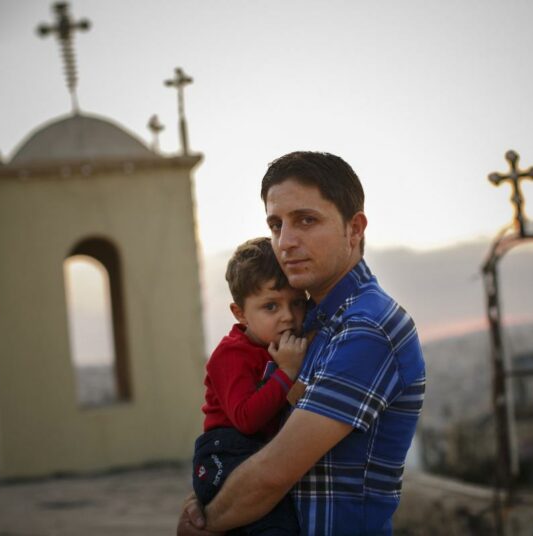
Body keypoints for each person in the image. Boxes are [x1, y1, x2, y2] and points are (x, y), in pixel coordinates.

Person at [179, 151, 426, 536]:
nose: (286, 242)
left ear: (354, 228)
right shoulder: (310, 323)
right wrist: (214, 487)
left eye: (306, 220)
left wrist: (204, 522)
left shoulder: (366, 327)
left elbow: (273, 473)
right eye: (276, 225)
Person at [192, 237, 307, 535]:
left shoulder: (285, 344)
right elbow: (246, 418)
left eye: (297, 303)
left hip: (257, 450)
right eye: (271, 306)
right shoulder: (231, 354)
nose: (287, 316)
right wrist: (287, 372)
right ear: (240, 313)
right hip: (227, 452)